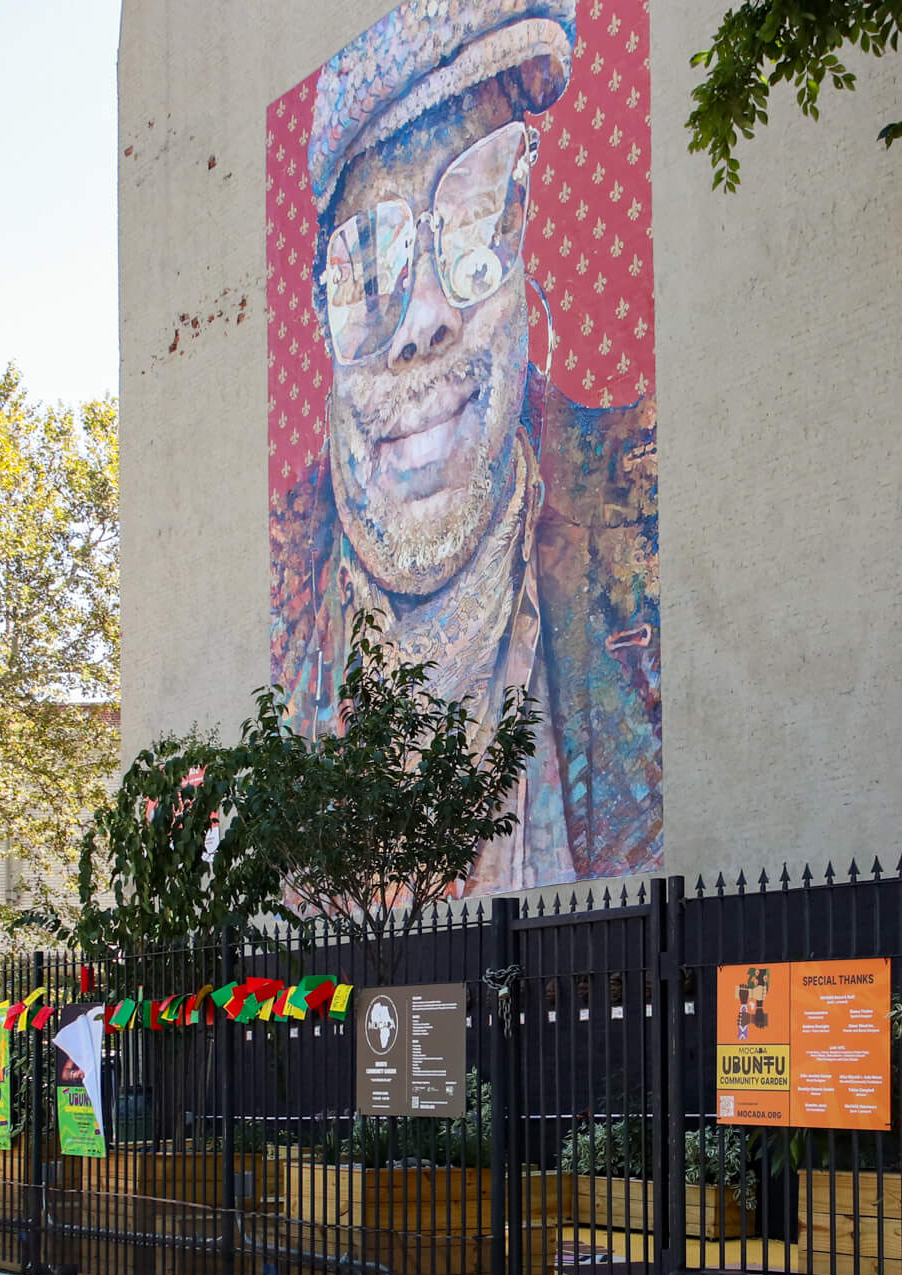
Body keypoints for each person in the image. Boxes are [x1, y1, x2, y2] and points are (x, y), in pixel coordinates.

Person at [271, 0, 660, 893]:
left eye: (472, 220)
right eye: (369, 266)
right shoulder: (277, 605)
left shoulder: (646, 533)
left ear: (520, 226)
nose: (422, 322)